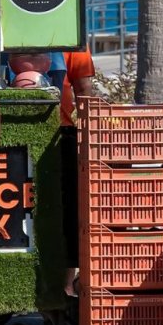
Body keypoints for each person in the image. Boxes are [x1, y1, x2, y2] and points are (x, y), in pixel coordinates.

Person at [57, 48, 97, 299]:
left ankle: (66, 283)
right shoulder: (69, 35)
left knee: (68, 211)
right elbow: (85, 91)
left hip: (62, 132)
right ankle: (65, 284)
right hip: (61, 133)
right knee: (67, 211)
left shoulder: (72, 38)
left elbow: (84, 91)